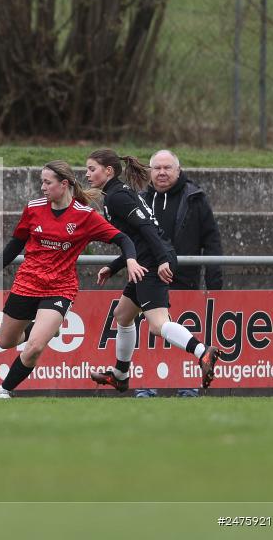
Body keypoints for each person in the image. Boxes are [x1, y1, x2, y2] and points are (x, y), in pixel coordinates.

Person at [0, 161, 143, 398]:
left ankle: (3, 390)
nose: (42, 187)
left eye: (47, 182)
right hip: (27, 283)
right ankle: (41, 329)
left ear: (64, 185)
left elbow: (123, 239)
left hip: (60, 288)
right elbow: (16, 243)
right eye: (41, 181)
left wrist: (131, 260)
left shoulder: (85, 216)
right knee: (5, 341)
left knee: (34, 348)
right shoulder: (33, 208)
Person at [85, 148, 220, 393]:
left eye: (91, 169)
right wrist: (115, 265)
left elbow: (147, 229)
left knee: (158, 325)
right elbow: (136, 236)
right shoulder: (119, 193)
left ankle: (203, 353)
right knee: (123, 314)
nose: (87, 174)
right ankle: (121, 375)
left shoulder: (117, 197)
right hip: (148, 260)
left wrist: (162, 260)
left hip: (149, 264)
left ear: (108, 171)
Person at [138, 149, 224, 398]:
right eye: (157, 168)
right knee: (152, 336)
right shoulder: (141, 200)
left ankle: (188, 385)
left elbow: (212, 240)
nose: (162, 173)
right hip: (147, 280)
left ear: (178, 170)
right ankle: (147, 385)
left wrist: (214, 279)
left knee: (184, 331)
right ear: (150, 172)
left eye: (167, 168)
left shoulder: (195, 198)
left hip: (185, 280)